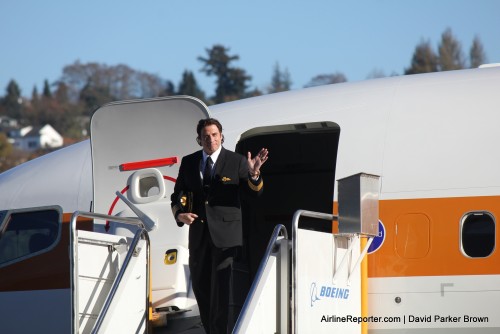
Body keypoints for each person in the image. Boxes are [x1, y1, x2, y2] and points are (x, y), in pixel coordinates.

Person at [171, 118, 268, 334]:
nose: (211, 139)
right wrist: (180, 214)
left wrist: (254, 174)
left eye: (214, 135)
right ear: (199, 139)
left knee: (222, 291)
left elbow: (255, 194)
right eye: (206, 136)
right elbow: (176, 196)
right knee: (201, 289)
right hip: (198, 236)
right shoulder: (188, 162)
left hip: (226, 238)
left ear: (221, 136)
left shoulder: (237, 161)